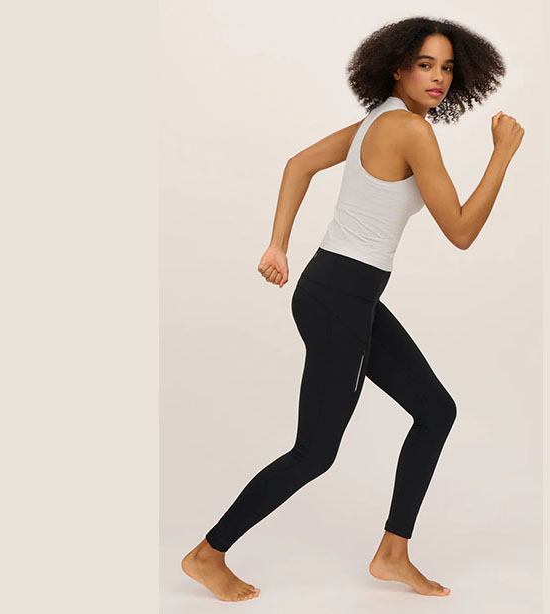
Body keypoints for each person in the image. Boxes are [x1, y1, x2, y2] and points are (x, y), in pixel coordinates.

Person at [181, 16, 524, 602]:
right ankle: (207, 554)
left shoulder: (380, 119)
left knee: (435, 410)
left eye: (446, 67)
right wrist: (503, 155)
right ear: (397, 67)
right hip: (339, 296)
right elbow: (462, 231)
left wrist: (279, 246)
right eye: (425, 65)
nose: (439, 77)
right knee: (315, 452)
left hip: (342, 292)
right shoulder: (409, 130)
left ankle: (393, 553)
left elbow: (298, 164)